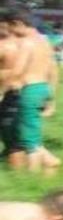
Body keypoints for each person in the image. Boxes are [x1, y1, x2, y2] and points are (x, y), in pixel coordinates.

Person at [7, 12, 61, 173]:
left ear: (18, 23)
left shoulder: (27, 43)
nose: (11, 31)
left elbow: (17, 70)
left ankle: (34, 172)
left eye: (11, 26)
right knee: (33, 131)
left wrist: (4, 89)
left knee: (29, 137)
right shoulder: (45, 42)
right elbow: (53, 70)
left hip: (30, 89)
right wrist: (51, 97)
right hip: (43, 88)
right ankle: (48, 161)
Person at [0, 14, 24, 168]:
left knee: (12, 136)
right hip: (19, 92)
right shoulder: (25, 44)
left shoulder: (5, 45)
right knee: (12, 134)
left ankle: (19, 171)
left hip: (8, 93)